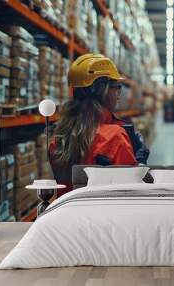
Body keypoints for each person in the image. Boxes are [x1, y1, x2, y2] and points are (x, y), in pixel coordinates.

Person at [49, 53, 149, 197]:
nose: (119, 94)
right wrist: (140, 164)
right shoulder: (114, 137)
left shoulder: (58, 138)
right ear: (104, 91)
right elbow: (130, 192)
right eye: (116, 87)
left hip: (68, 212)